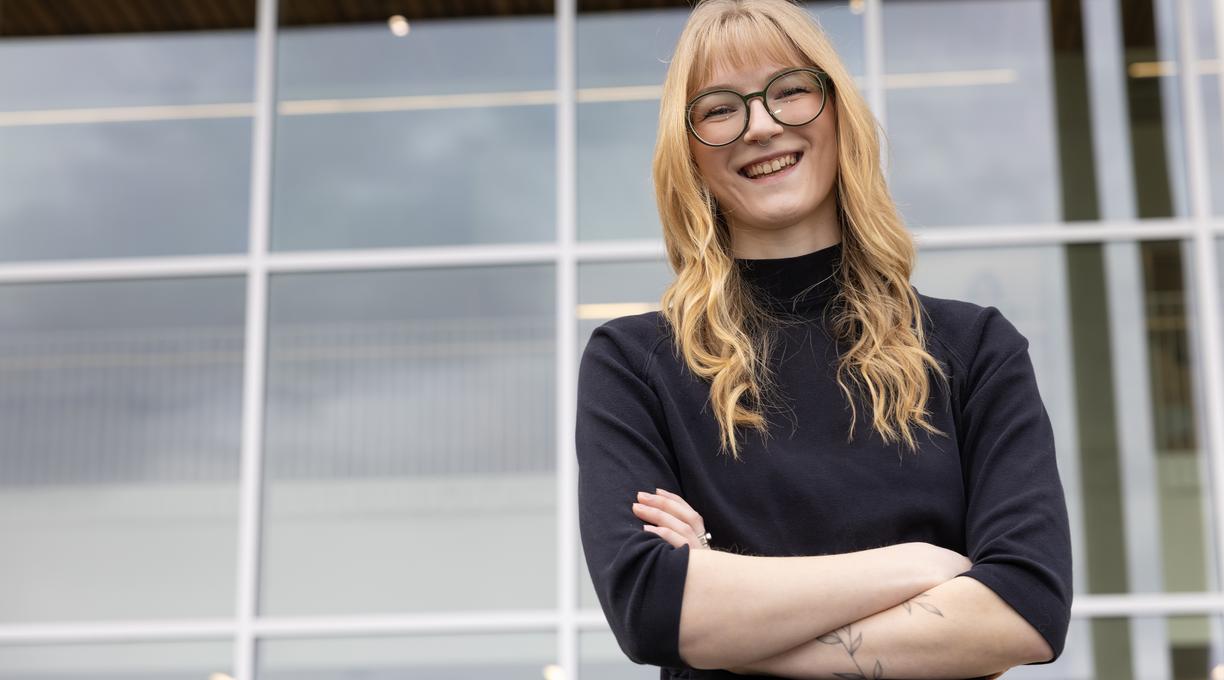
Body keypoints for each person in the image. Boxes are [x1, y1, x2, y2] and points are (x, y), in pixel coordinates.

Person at [574, 0, 1073, 679]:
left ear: (838, 114)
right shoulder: (635, 365)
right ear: (688, 153)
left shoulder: (975, 350)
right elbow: (651, 606)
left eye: (789, 91)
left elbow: (1026, 609)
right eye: (719, 109)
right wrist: (918, 566)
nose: (761, 125)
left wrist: (729, 611)